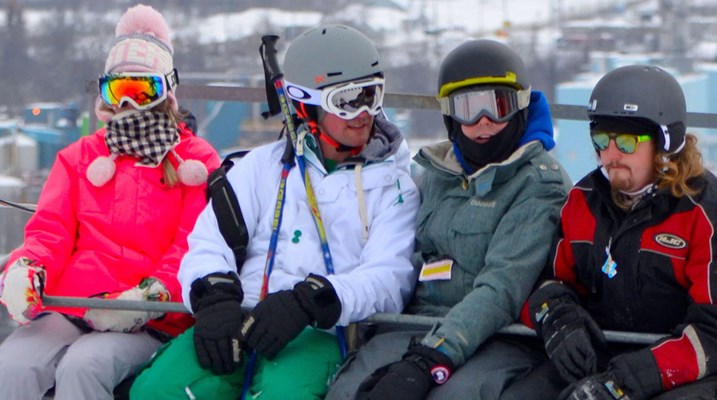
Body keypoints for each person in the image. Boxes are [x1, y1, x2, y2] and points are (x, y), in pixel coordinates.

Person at [129, 24, 420, 399]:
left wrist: (312, 301)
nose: (364, 113)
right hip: (242, 316)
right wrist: (214, 297)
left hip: (320, 329)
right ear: (306, 103)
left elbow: (389, 278)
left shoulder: (393, 187)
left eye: (373, 95)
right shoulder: (261, 167)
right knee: (158, 390)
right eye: (348, 100)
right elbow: (208, 242)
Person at [325, 39, 572, 400]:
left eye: (497, 106)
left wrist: (430, 358)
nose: (483, 121)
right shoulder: (437, 174)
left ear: (519, 109)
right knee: (350, 391)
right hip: (413, 327)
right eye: (468, 108)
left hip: (498, 335)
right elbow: (398, 257)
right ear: (450, 117)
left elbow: (501, 288)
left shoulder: (538, 184)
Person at [0, 4, 220, 399]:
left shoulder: (195, 161)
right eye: (120, 91)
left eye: (143, 91)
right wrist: (26, 267)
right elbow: (50, 232)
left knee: (85, 367)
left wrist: (151, 295)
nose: (130, 105)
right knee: (13, 366)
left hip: (152, 316)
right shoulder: (80, 157)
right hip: (76, 303)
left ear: (166, 90)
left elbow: (192, 244)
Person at [505, 64, 717, 400]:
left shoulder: (700, 212)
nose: (611, 155)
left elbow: (712, 332)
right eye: (602, 140)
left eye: (627, 142)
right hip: (603, 356)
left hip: (686, 370)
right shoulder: (584, 201)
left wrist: (626, 382)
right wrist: (558, 319)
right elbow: (547, 283)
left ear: (665, 144)